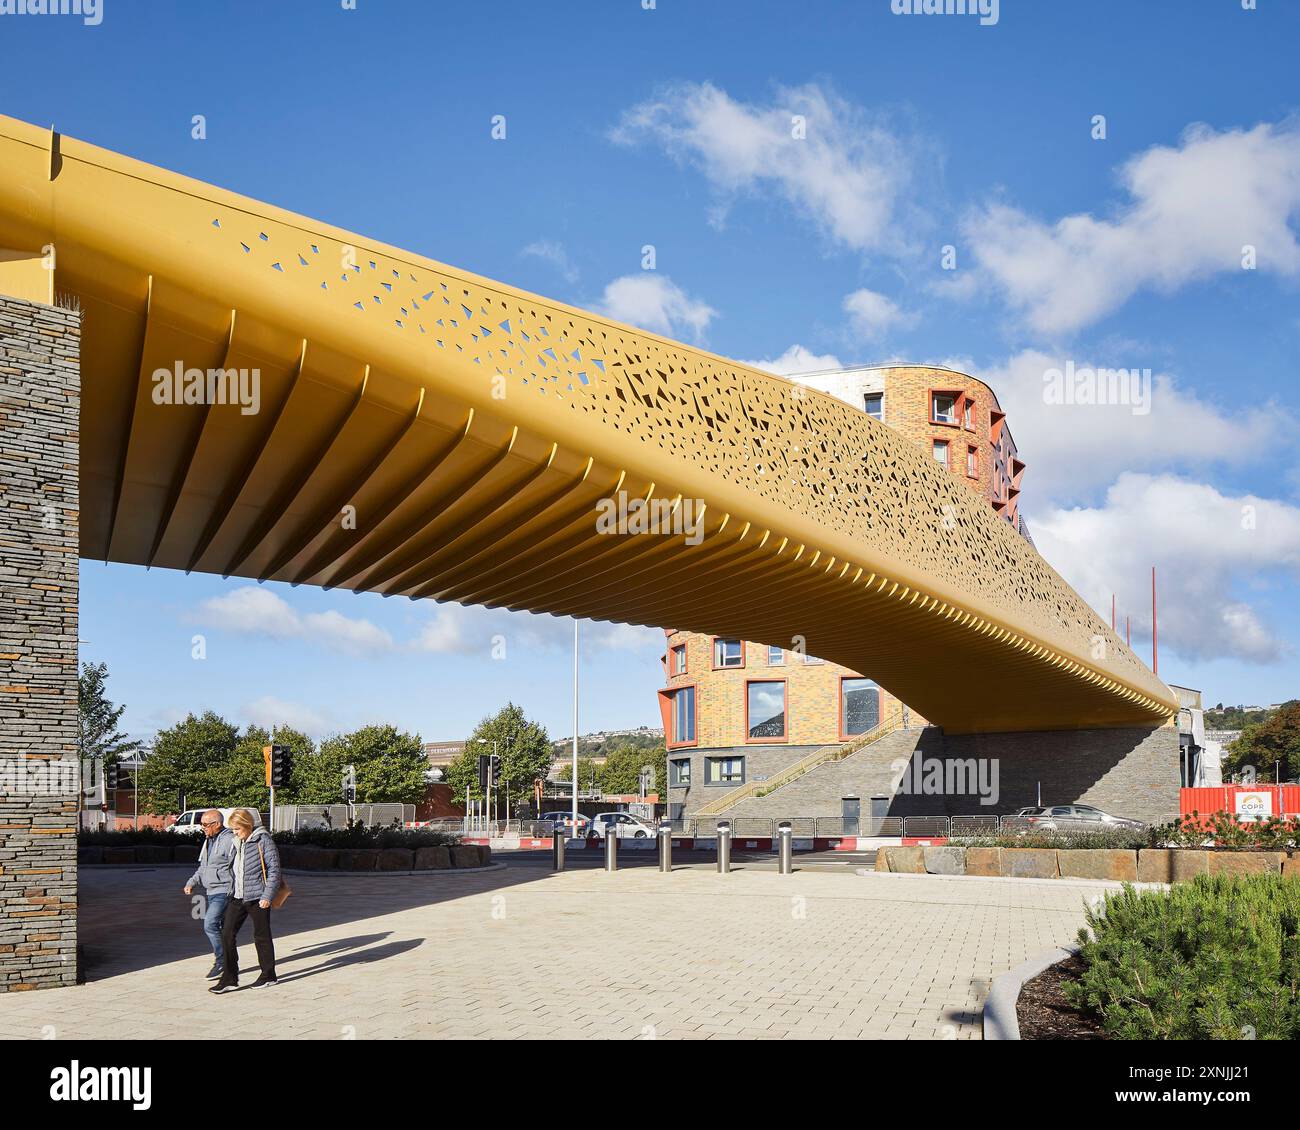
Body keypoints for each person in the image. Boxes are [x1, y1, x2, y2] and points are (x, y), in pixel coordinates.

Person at [210, 808, 281, 993]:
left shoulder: (263, 840)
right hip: (238, 896)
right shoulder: (237, 842)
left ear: (247, 825)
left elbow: (274, 870)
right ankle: (229, 979)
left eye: (237, 829)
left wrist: (267, 896)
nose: (234, 833)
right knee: (227, 933)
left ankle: (268, 975)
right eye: (232, 829)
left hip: (258, 896)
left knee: (261, 936)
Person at [183, 809, 234, 981]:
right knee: (223, 930)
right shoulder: (208, 841)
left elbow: (238, 865)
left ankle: (221, 961)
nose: (202, 827)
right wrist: (192, 882)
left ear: (217, 824)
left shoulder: (229, 840)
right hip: (210, 891)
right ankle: (229, 961)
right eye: (201, 824)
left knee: (210, 924)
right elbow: (203, 867)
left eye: (205, 824)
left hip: (224, 891)